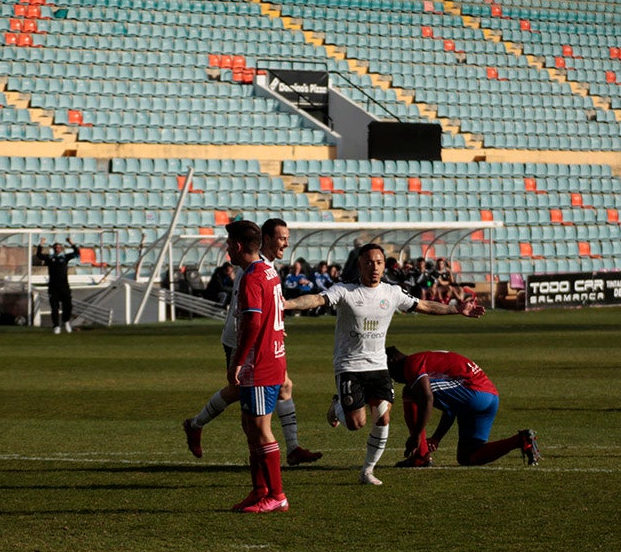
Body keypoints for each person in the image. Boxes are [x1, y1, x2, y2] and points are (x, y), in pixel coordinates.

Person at [284, 243, 485, 486]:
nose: (375, 267)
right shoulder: (346, 291)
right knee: (355, 424)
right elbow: (316, 299)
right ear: (359, 265)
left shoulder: (392, 292)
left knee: (383, 416)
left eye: (379, 262)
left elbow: (424, 305)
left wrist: (456, 309)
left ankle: (367, 471)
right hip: (349, 366)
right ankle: (338, 404)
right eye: (369, 262)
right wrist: (288, 304)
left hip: (379, 366)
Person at [182, 218, 321, 466]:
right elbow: (243, 314)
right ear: (266, 239)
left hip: (263, 339)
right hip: (243, 341)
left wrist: (276, 328)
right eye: (281, 238)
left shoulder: (266, 268)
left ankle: (291, 448)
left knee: (283, 386)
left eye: (287, 238)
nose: (286, 244)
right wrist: (241, 354)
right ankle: (198, 425)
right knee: (245, 399)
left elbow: (270, 306)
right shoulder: (251, 270)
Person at [222, 220, 289, 512]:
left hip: (260, 362)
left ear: (237, 246)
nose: (226, 250)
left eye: (228, 245)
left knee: (261, 428)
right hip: (269, 357)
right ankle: (260, 489)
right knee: (250, 426)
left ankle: (277, 495)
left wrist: (238, 360)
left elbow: (253, 321)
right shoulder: (268, 271)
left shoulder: (252, 277)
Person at [385, 347, 539, 468]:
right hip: (490, 397)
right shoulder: (425, 360)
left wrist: (416, 436)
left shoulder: (412, 363)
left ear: (393, 361)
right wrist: (437, 438)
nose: (393, 378)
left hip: (474, 393)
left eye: (388, 372)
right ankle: (521, 440)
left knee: (411, 391)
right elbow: (451, 408)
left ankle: (420, 457)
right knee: (467, 457)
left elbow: (427, 398)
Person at [35, 237, 79, 334]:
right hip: (53, 287)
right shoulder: (50, 258)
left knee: (68, 305)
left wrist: (71, 242)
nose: (57, 249)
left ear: (61, 249)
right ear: (53, 249)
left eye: (59, 247)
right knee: (54, 307)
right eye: (55, 247)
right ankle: (56, 326)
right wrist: (41, 243)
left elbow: (77, 253)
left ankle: (66, 321)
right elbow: (38, 255)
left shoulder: (65, 257)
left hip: (64, 286)